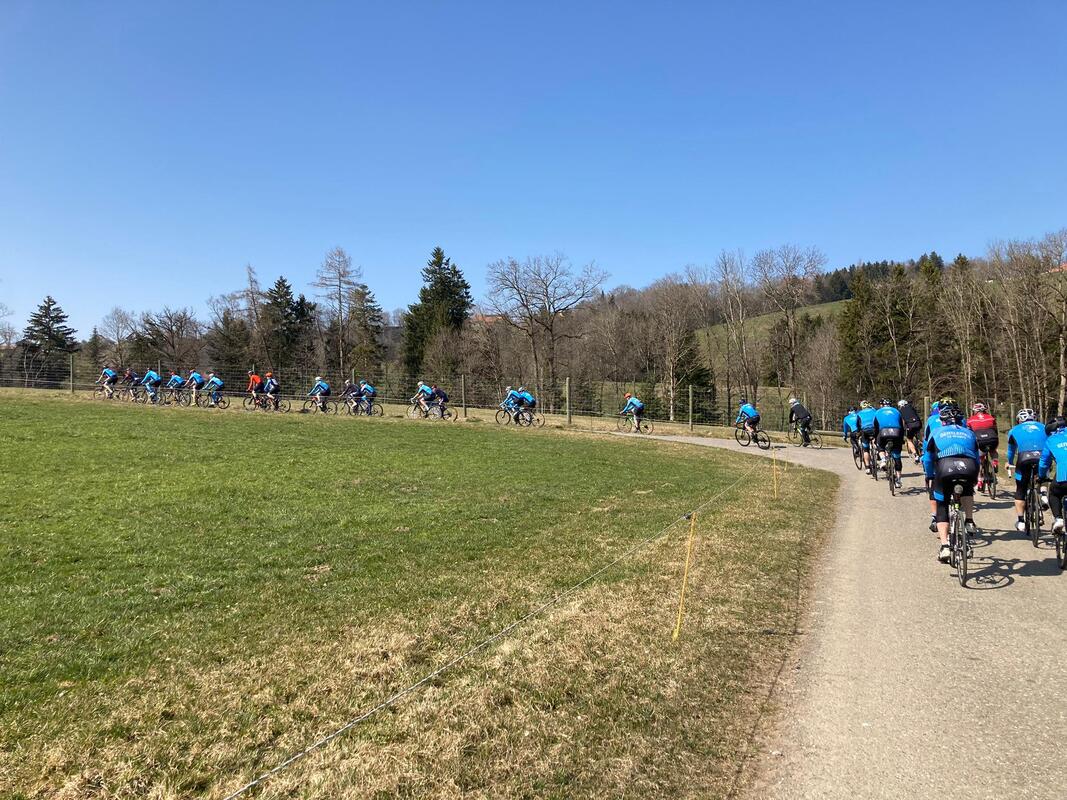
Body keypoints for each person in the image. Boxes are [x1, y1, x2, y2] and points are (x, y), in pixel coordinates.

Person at [923, 403, 981, 563]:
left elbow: (928, 459)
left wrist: (930, 476)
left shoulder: (936, 432)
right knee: (967, 491)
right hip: (969, 467)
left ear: (942, 421)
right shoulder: (969, 433)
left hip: (945, 467)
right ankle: (969, 520)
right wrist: (974, 478)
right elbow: (977, 458)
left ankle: (945, 547)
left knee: (942, 505)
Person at [1006, 409, 1049, 532]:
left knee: (1020, 489)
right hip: (1042, 456)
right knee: (1043, 475)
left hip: (1024, 458)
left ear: (1019, 420)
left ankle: (1021, 521)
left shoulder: (1014, 430)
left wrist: (1010, 463)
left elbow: (1011, 451)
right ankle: (1043, 495)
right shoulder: (1044, 427)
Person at [1039, 416, 1067, 534]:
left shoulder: (1051, 440)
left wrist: (1041, 477)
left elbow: (1044, 463)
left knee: (1054, 494)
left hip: (1064, 476)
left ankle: (1059, 519)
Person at [966, 402, 1000, 491]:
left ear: (975, 411)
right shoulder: (991, 417)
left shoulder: (970, 420)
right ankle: (995, 462)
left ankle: (980, 481)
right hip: (992, 438)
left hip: (980, 441)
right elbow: (995, 430)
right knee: (993, 450)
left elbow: (969, 434)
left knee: (980, 460)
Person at [873, 398, 904, 489]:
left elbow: (875, 427)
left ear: (882, 405)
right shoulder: (897, 411)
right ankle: (898, 480)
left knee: (880, 446)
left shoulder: (877, 412)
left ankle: (883, 460)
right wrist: (901, 438)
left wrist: (875, 438)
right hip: (897, 432)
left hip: (883, 432)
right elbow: (902, 426)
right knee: (897, 457)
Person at [856, 400, 878, 473]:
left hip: (865, 431)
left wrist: (858, 432)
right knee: (876, 441)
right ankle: (877, 451)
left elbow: (858, 425)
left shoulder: (859, 413)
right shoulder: (874, 411)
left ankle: (868, 467)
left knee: (866, 450)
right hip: (874, 430)